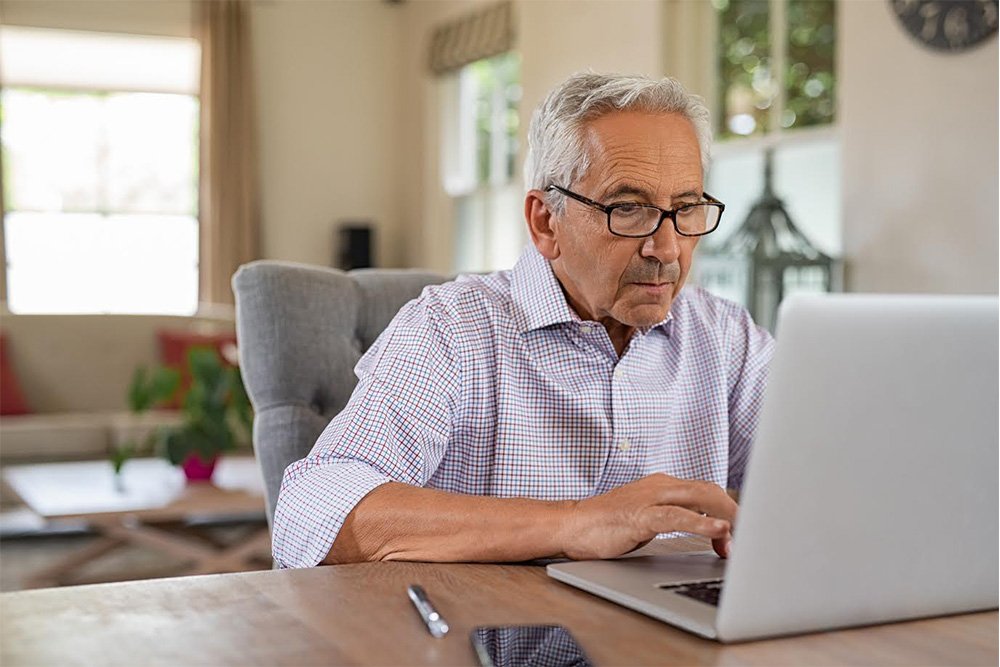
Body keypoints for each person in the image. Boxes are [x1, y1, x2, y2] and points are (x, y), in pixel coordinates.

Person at [272, 72, 774, 569]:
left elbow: (831, 480)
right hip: (494, 646)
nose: (666, 248)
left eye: (686, 209)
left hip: (677, 646)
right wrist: (576, 523)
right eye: (628, 209)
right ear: (545, 221)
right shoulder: (451, 328)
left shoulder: (726, 338)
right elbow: (310, 514)